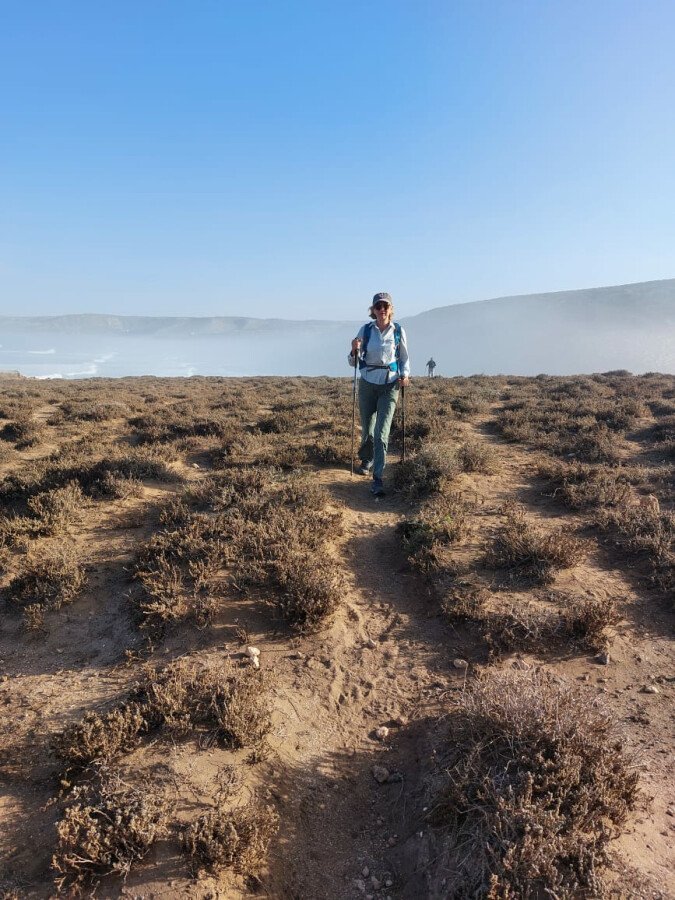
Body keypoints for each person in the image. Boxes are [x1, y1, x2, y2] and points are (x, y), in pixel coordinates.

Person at [348, 292, 410, 496]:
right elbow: (354, 362)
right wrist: (353, 350)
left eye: (385, 306)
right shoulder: (365, 330)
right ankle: (367, 459)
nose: (382, 310)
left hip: (390, 385)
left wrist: (405, 375)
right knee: (368, 426)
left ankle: (378, 477)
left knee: (382, 432)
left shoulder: (398, 330)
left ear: (391, 309)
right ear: (373, 310)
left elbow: (404, 358)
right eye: (378, 307)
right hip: (367, 382)